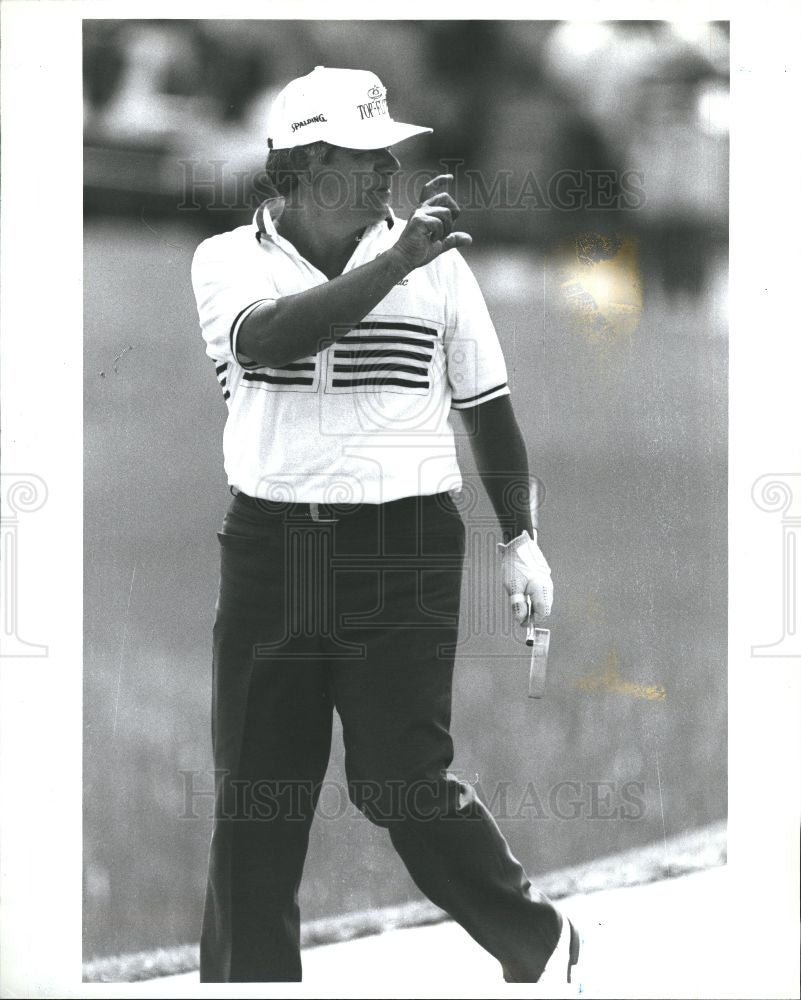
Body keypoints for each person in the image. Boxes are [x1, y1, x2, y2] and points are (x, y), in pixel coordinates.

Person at [191, 65, 580, 986]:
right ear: (308, 160)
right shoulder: (226, 259)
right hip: (271, 548)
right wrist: (392, 266)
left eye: (386, 152)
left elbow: (488, 409)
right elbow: (273, 339)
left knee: (399, 782)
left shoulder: (436, 260)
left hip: (402, 547)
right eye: (365, 154)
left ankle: (538, 941)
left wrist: (519, 539)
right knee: (258, 798)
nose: (387, 169)